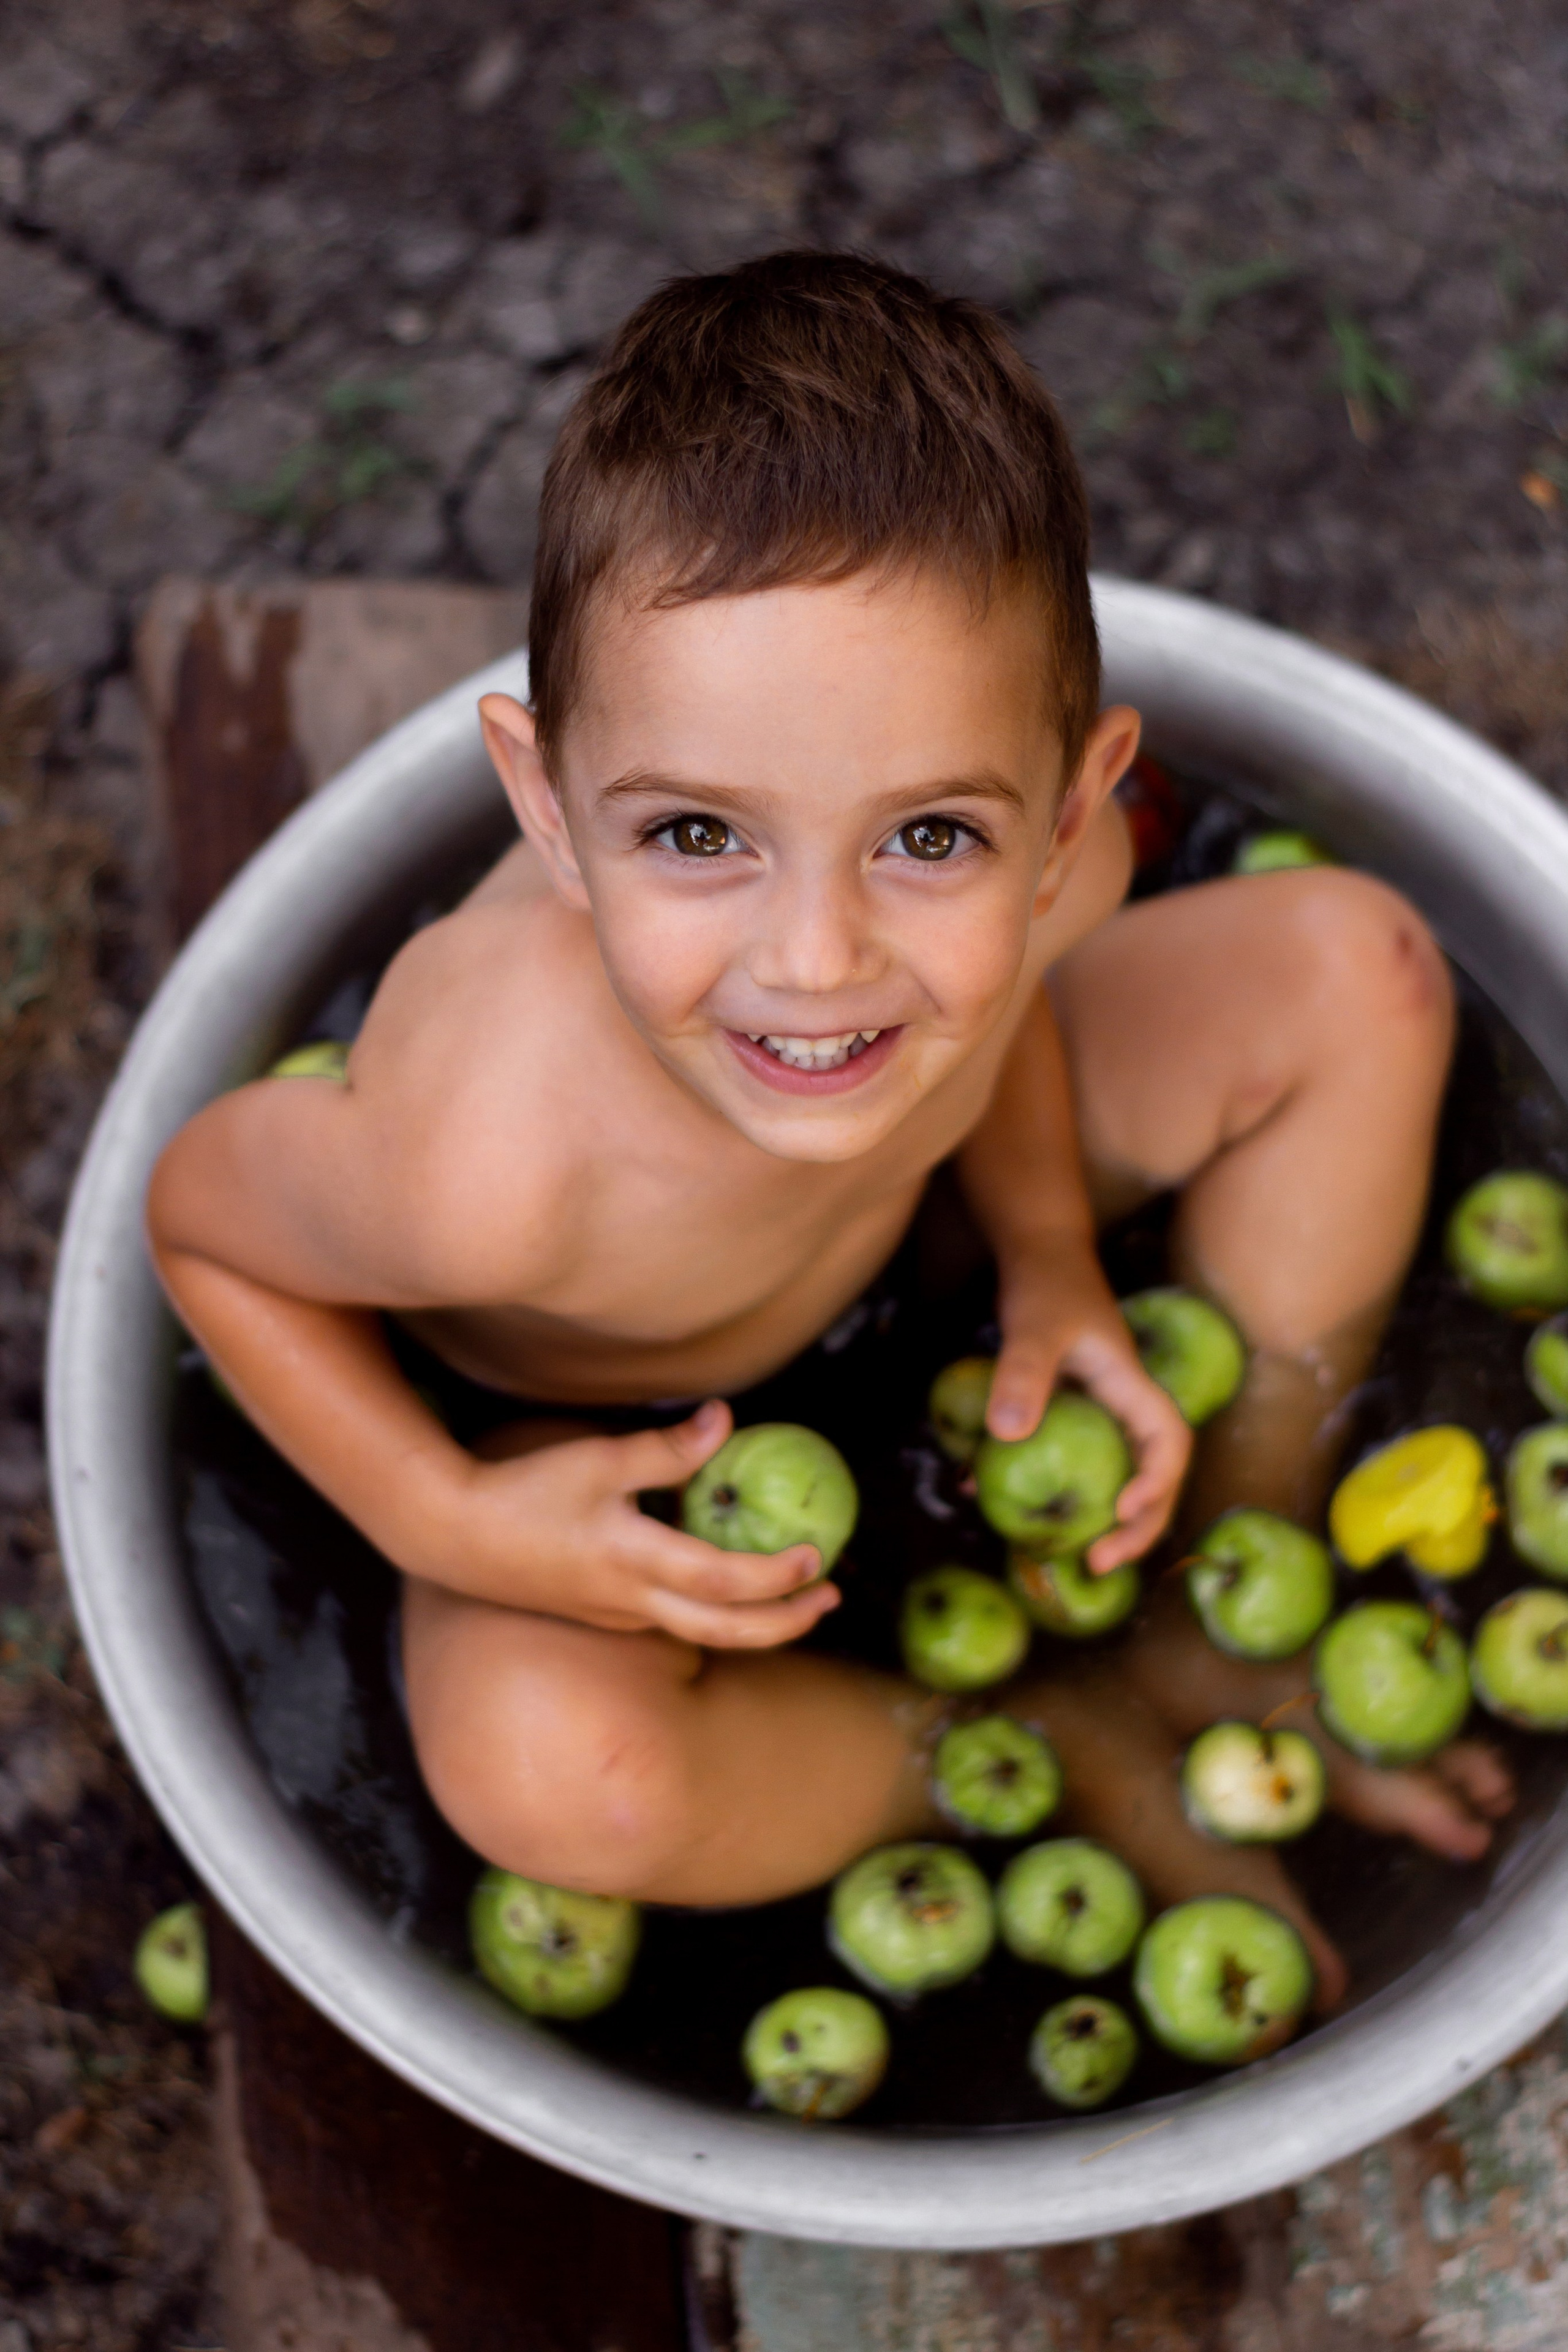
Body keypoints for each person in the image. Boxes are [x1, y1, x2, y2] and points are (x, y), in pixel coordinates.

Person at [146, 252, 1509, 2002]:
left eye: (931, 836)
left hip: (899, 1225)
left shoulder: (1025, 899)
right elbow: (201, 1228)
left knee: (1360, 974)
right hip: (576, 1412)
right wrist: (441, 1519)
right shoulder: (480, 1161)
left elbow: (997, 1013)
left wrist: (1047, 1257)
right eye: (698, 836)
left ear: (1070, 806)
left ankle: (1214, 1604)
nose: (818, 961)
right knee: (559, 1771)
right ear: (548, 809)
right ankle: (1006, 1737)